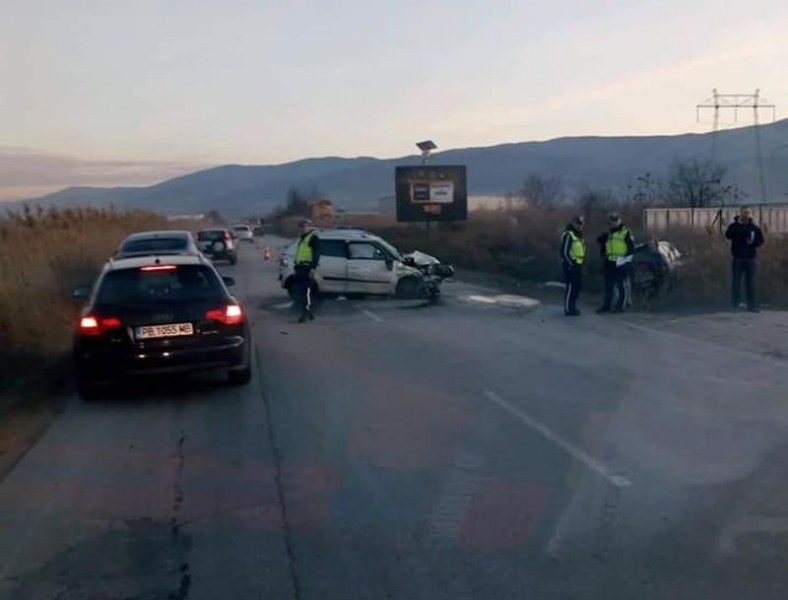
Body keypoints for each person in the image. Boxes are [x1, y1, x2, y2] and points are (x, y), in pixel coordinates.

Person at [725, 206, 764, 312]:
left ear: (750, 214)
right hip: (737, 257)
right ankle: (735, 304)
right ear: (740, 213)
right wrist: (738, 226)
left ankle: (751, 305)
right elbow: (728, 235)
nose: (745, 215)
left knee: (751, 282)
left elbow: (761, 240)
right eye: (743, 213)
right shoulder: (734, 226)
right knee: (736, 282)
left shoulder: (754, 228)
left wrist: (754, 243)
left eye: (747, 213)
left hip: (750, 258)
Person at [596, 212, 635, 313]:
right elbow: (602, 244)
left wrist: (625, 260)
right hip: (609, 262)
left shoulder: (626, 232)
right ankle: (606, 306)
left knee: (621, 285)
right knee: (608, 285)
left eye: (615, 220)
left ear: (619, 221)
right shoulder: (608, 233)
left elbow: (631, 249)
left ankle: (620, 306)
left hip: (621, 262)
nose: (613, 223)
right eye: (611, 221)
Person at [293, 219, 321, 323]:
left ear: (309, 227)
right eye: (301, 227)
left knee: (305, 293)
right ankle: (309, 312)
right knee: (302, 292)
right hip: (300, 268)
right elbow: (300, 254)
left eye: (304, 226)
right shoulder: (302, 238)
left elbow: (316, 254)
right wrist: (296, 266)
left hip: (307, 268)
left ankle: (305, 314)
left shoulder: (313, 238)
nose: (302, 228)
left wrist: (313, 268)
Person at [560, 215, 586, 316]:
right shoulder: (569, 235)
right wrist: (571, 264)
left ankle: (573, 307)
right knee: (571, 287)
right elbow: (564, 252)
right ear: (573, 223)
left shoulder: (579, 235)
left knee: (577, 287)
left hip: (579, 264)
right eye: (578, 223)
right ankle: (568, 309)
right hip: (570, 265)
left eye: (581, 223)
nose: (580, 226)